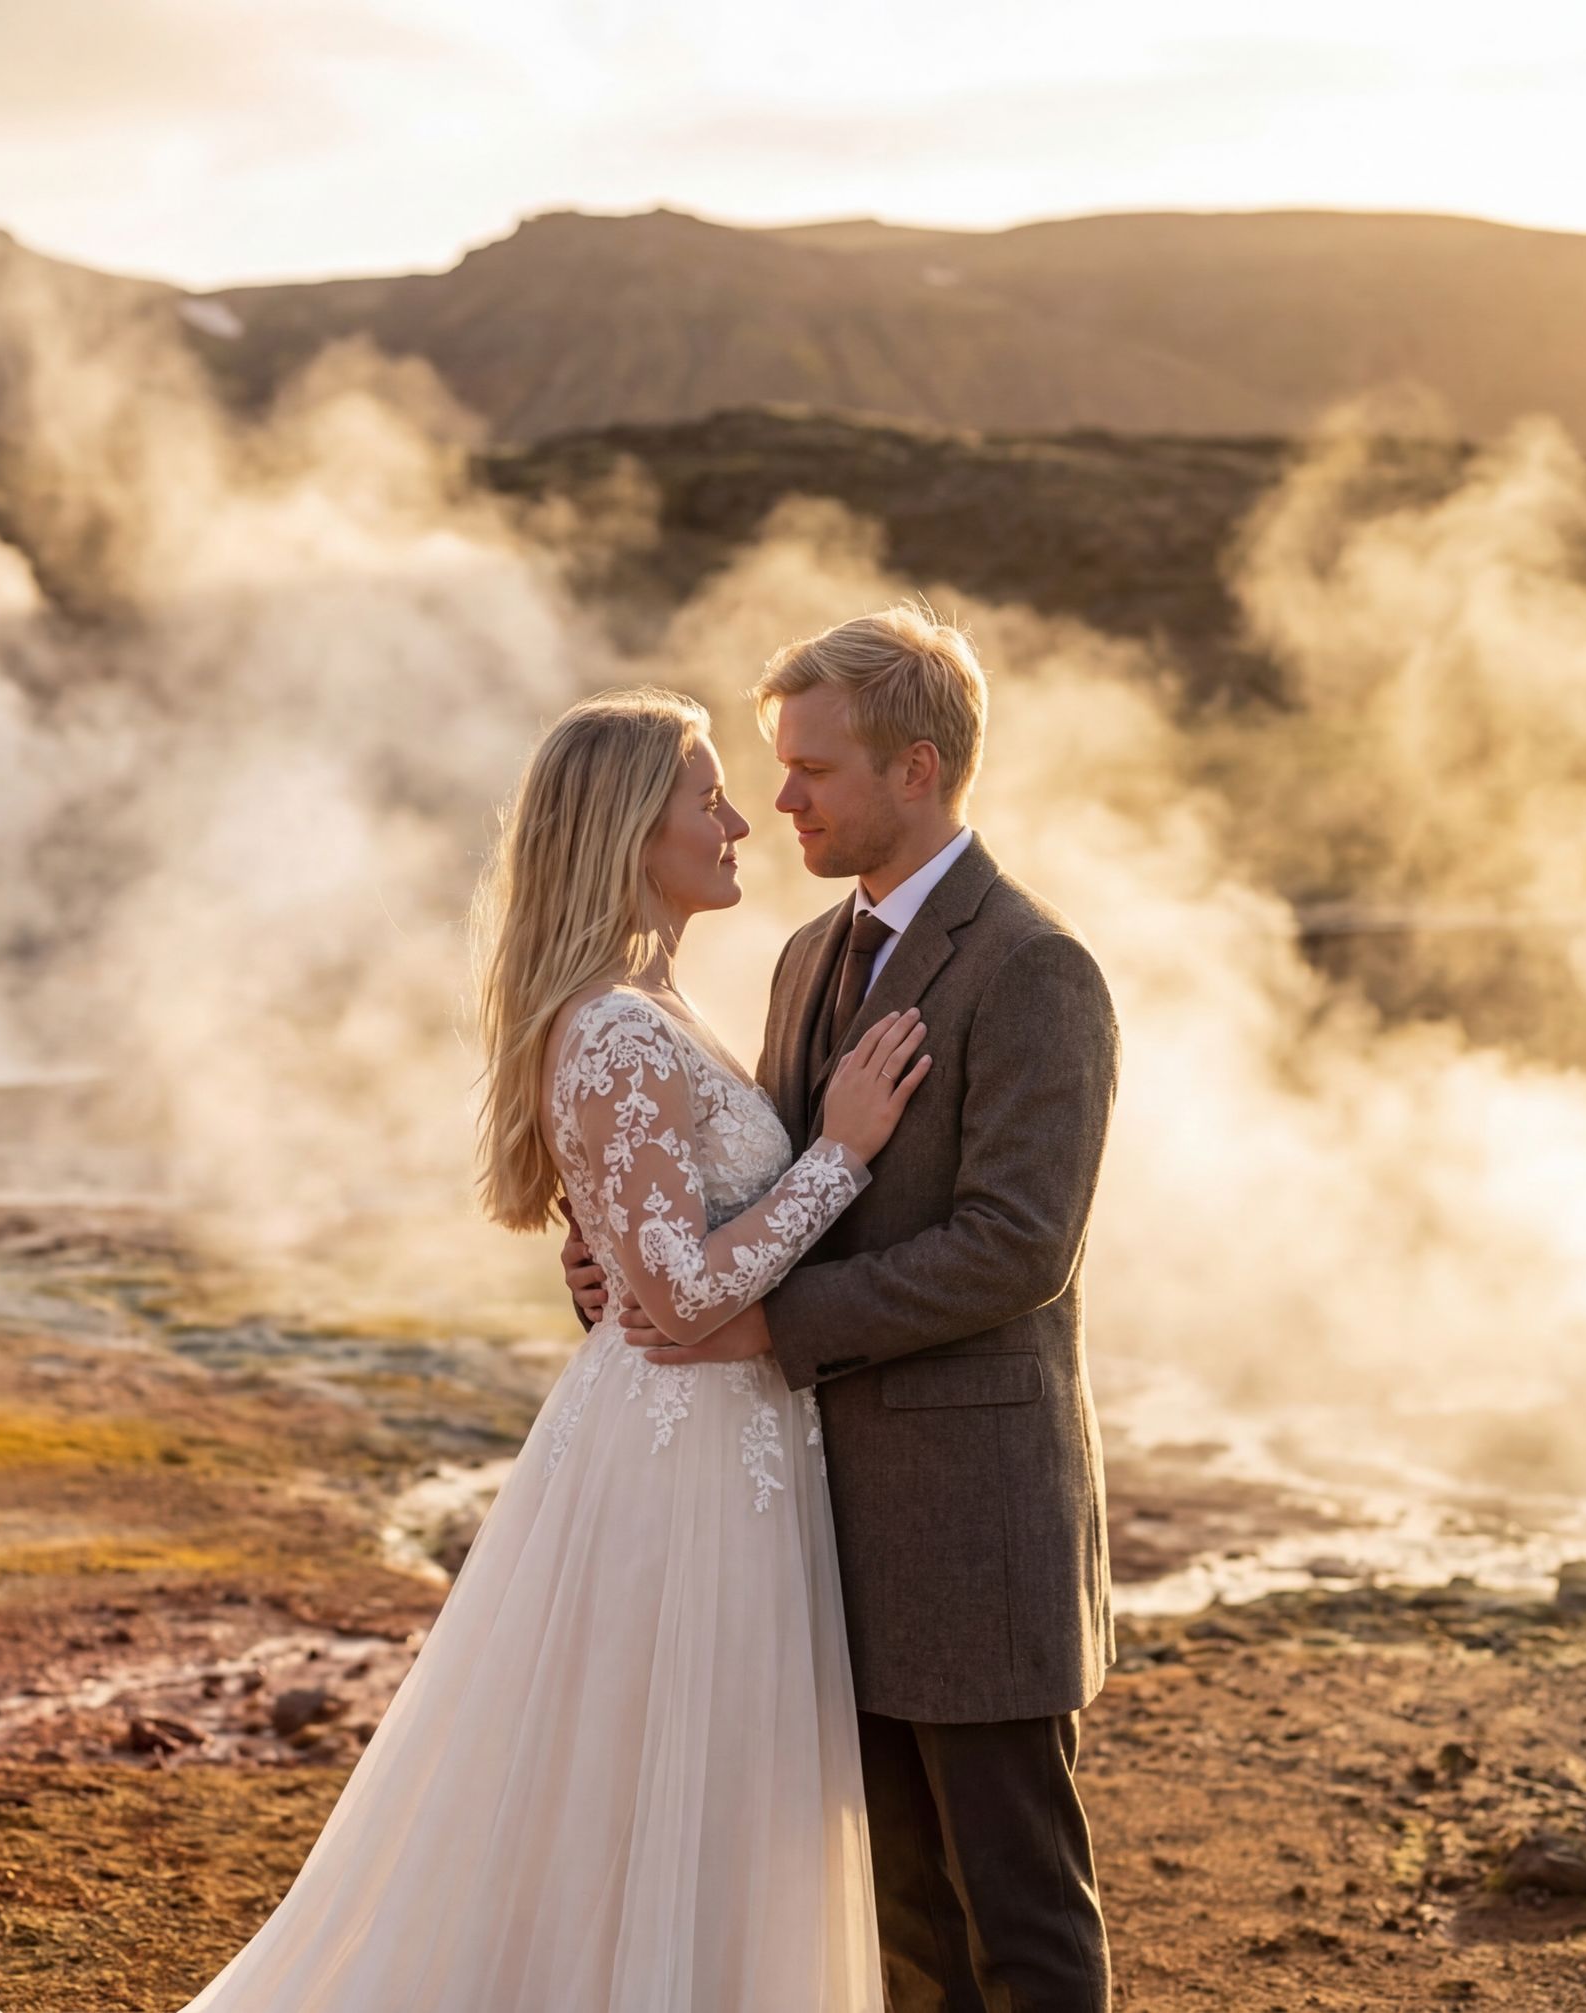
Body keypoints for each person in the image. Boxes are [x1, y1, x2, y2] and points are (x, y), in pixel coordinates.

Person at [153, 683, 928, 2010]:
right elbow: (680, 1299)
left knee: (679, 1793)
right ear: (635, 828)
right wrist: (841, 1156)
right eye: (707, 797)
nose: (740, 819)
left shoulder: (647, 1002)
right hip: (680, 1463)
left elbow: (643, 1263)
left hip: (718, 1445)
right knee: (651, 1785)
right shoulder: (618, 1024)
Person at [575, 606, 1123, 2012]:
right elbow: (755, 1189)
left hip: (974, 1512)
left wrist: (768, 1327)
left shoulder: (1033, 967)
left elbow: (1018, 1247)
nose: (783, 798)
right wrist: (635, 1264)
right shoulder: (808, 955)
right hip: (816, 1529)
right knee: (899, 1922)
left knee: (1022, 1917)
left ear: (918, 769)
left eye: (813, 769)